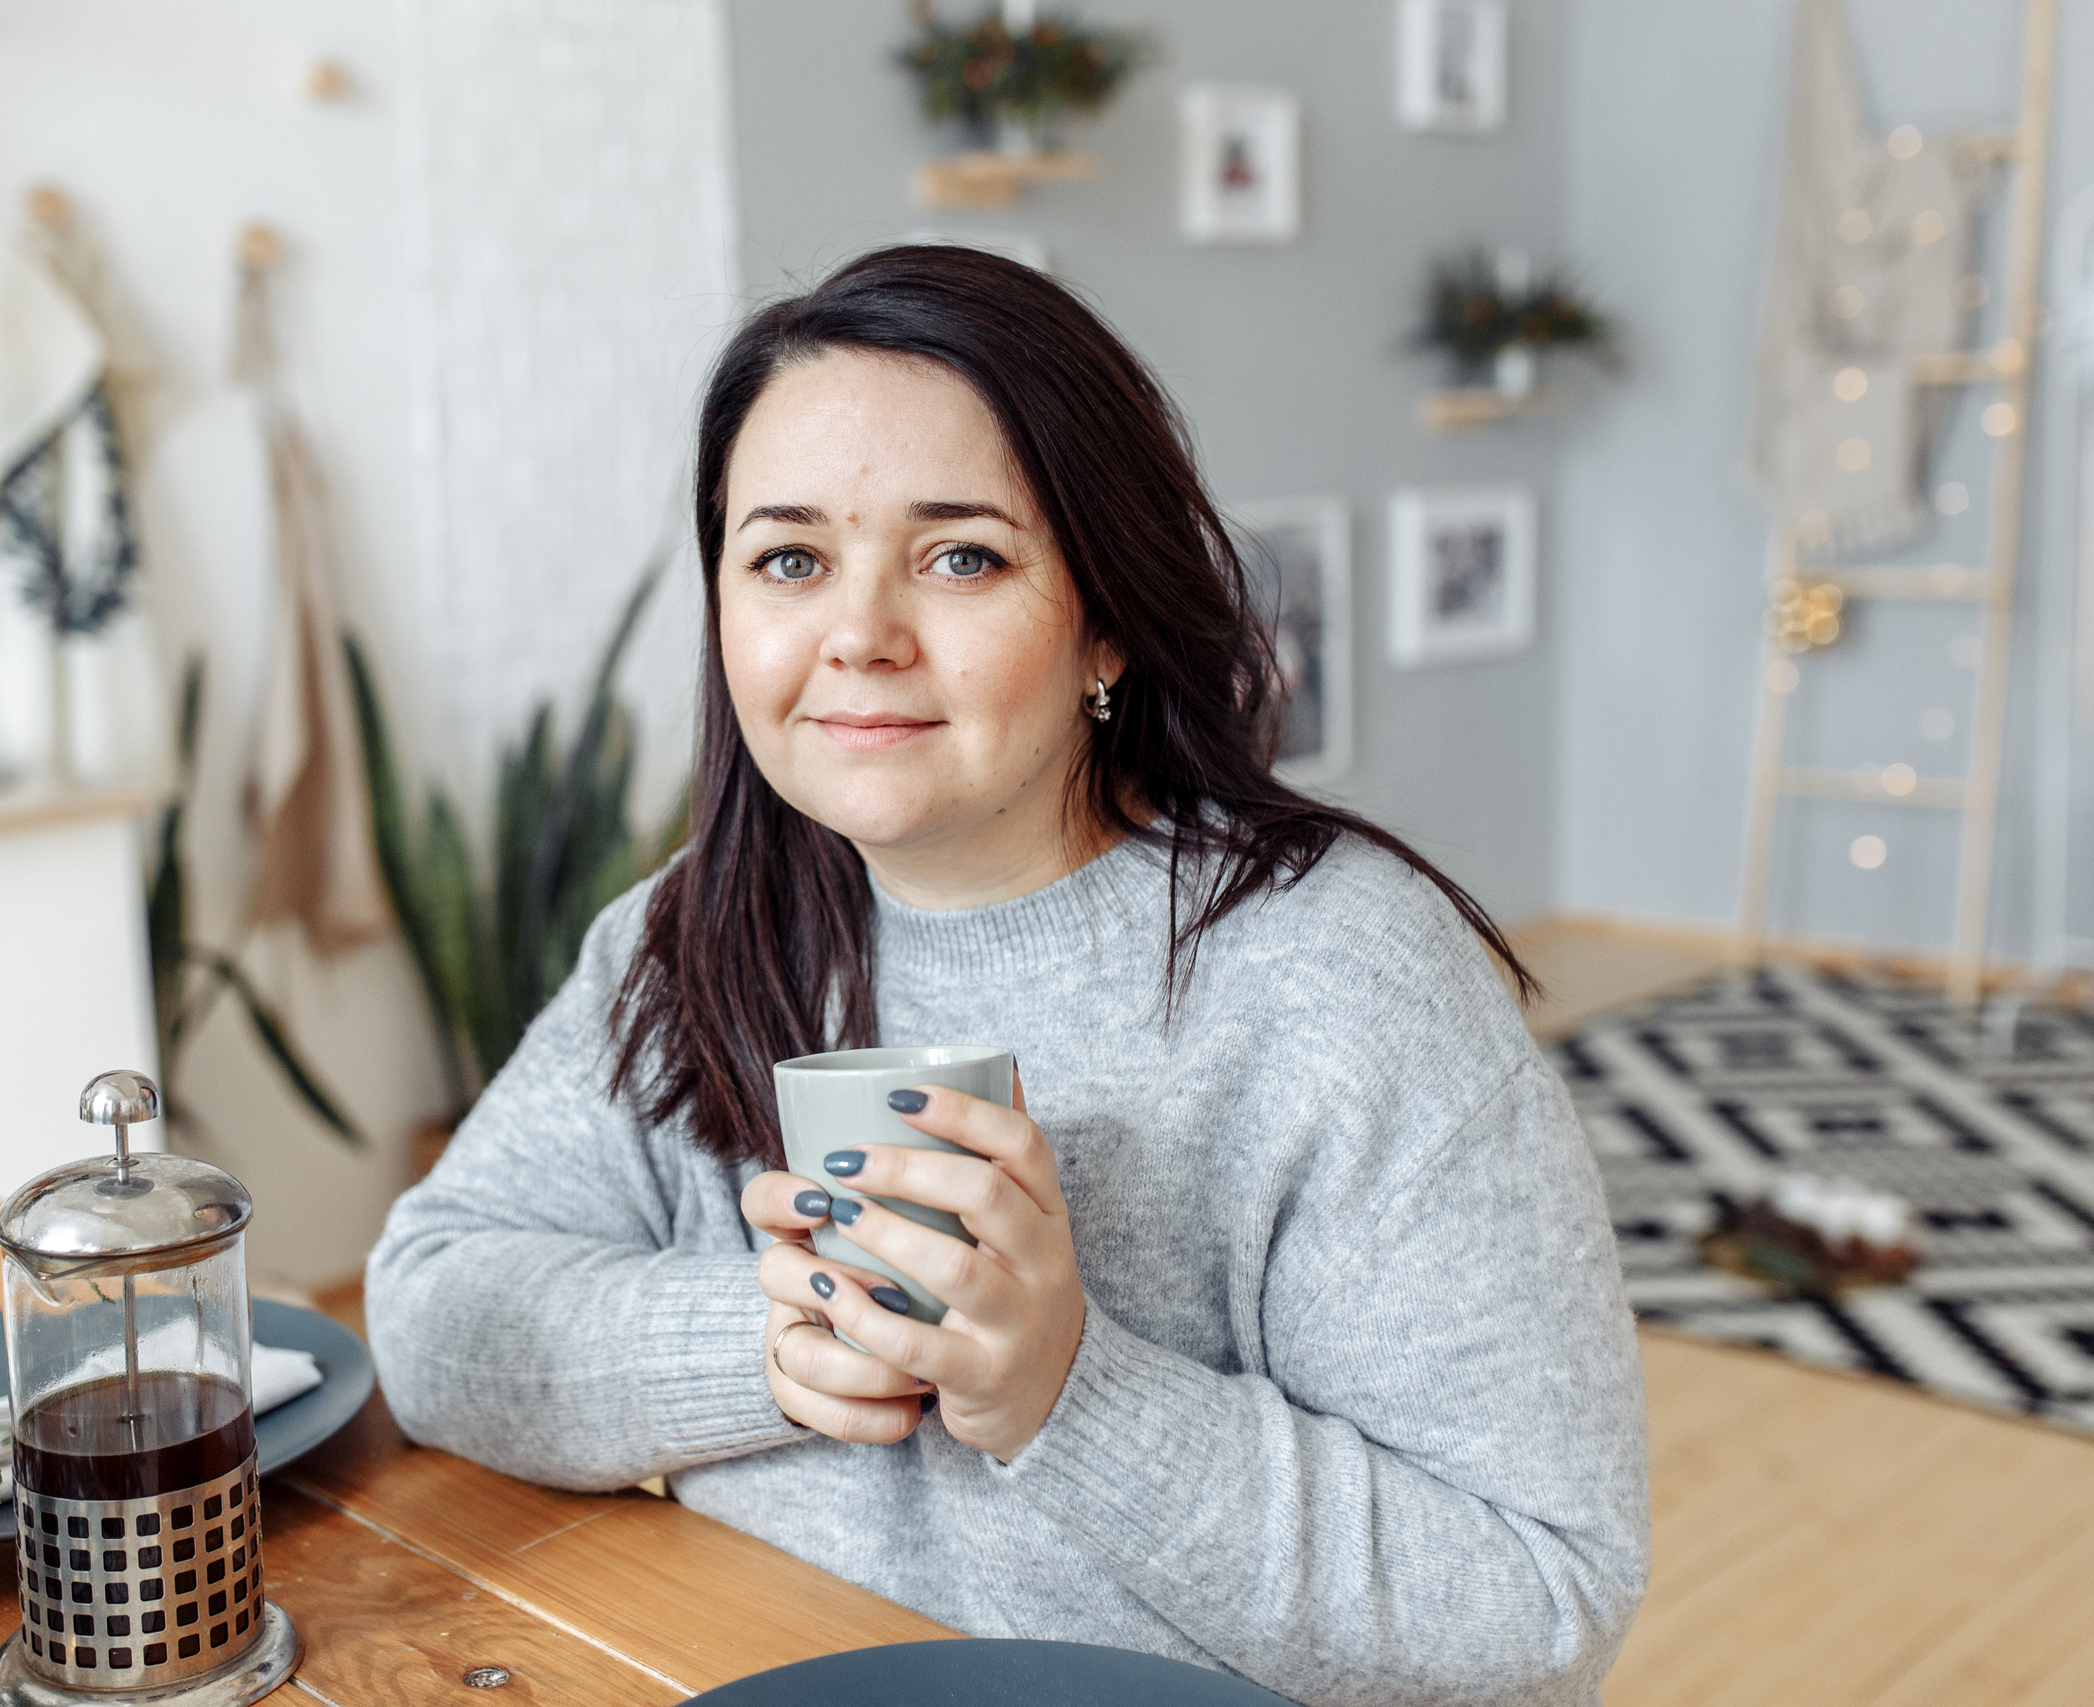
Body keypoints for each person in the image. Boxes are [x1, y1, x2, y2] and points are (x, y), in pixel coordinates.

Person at [366, 245, 1646, 1707]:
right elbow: (433, 1311)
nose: (857, 635)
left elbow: (1541, 1611)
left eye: (960, 555)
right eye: (789, 558)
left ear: (1105, 614)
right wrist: (770, 1336)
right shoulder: (693, 932)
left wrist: (1067, 1392)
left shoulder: (1344, 984)